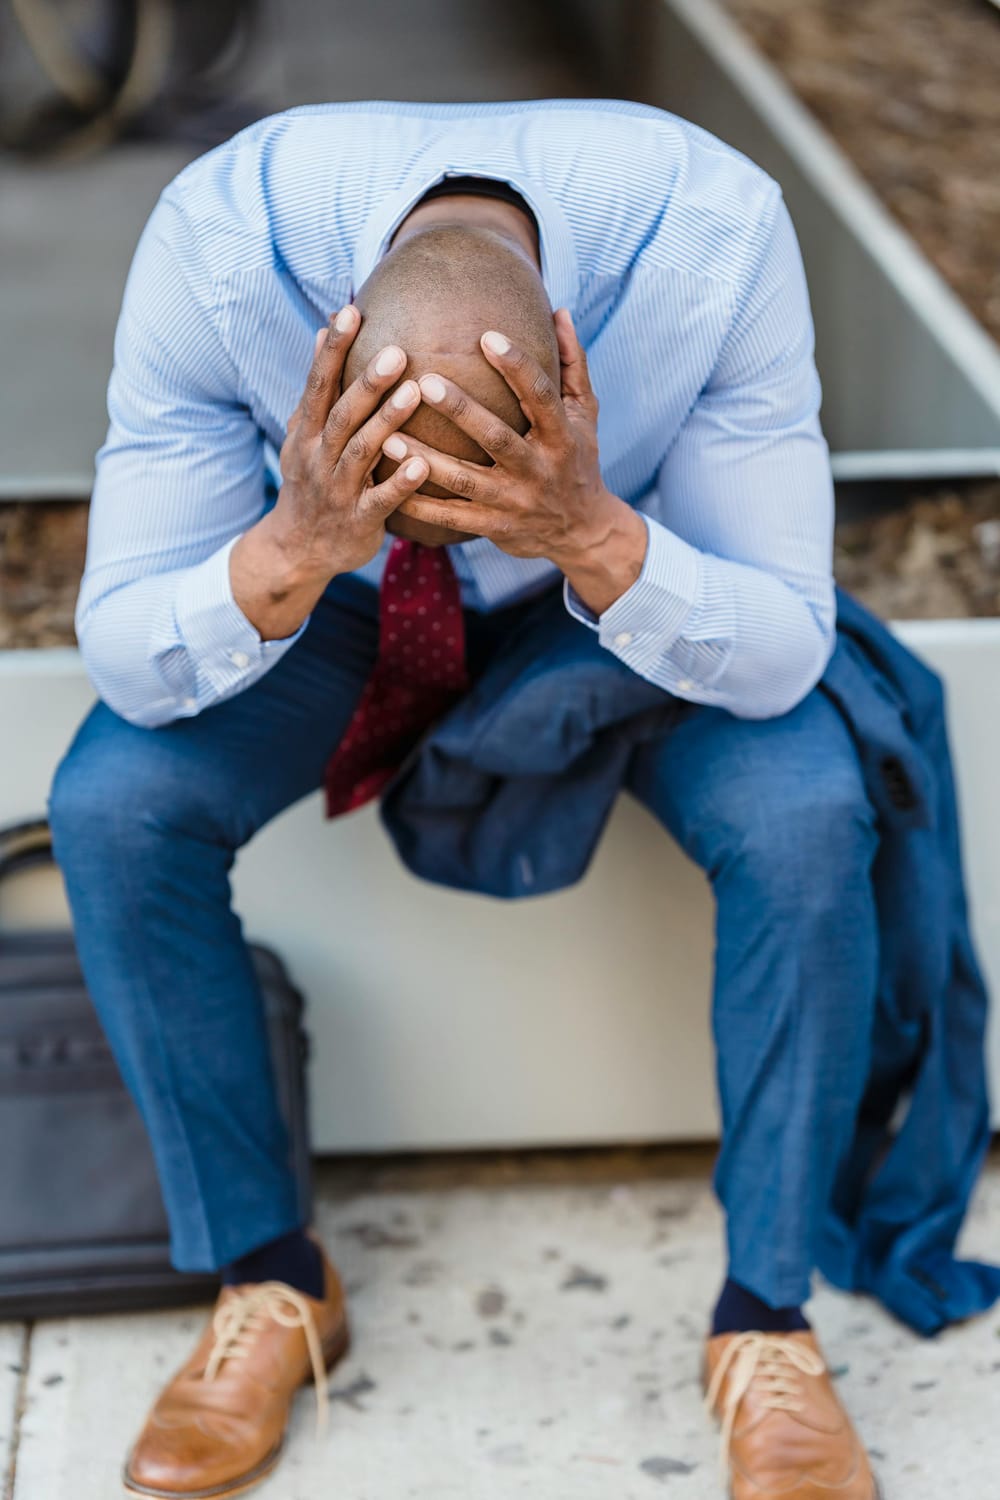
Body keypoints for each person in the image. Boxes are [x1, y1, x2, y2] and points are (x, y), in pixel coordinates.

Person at [49, 99, 889, 1500]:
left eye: (468, 484)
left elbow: (786, 640)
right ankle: (270, 1278)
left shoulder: (717, 234)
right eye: (406, 481)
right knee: (116, 804)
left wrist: (589, 531)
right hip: (332, 592)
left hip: (609, 587)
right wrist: (302, 541)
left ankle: (768, 1320)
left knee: (809, 813)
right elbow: (132, 651)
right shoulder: (218, 245)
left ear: (567, 370)